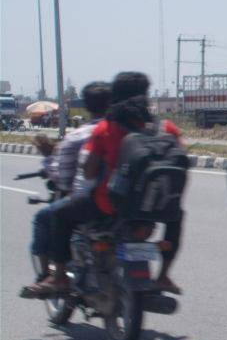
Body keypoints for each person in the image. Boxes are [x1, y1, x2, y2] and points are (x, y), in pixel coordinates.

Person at [21, 72, 185, 298]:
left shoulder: (107, 128)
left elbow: (88, 173)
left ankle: (59, 277)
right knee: (176, 215)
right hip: (153, 209)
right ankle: (164, 275)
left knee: (59, 214)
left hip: (108, 205)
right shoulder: (167, 129)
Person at [26, 82, 111, 285]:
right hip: (124, 200)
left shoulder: (77, 136)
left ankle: (54, 275)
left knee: (46, 216)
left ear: (87, 107)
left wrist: (48, 157)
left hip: (91, 201)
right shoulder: (126, 132)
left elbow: (63, 181)